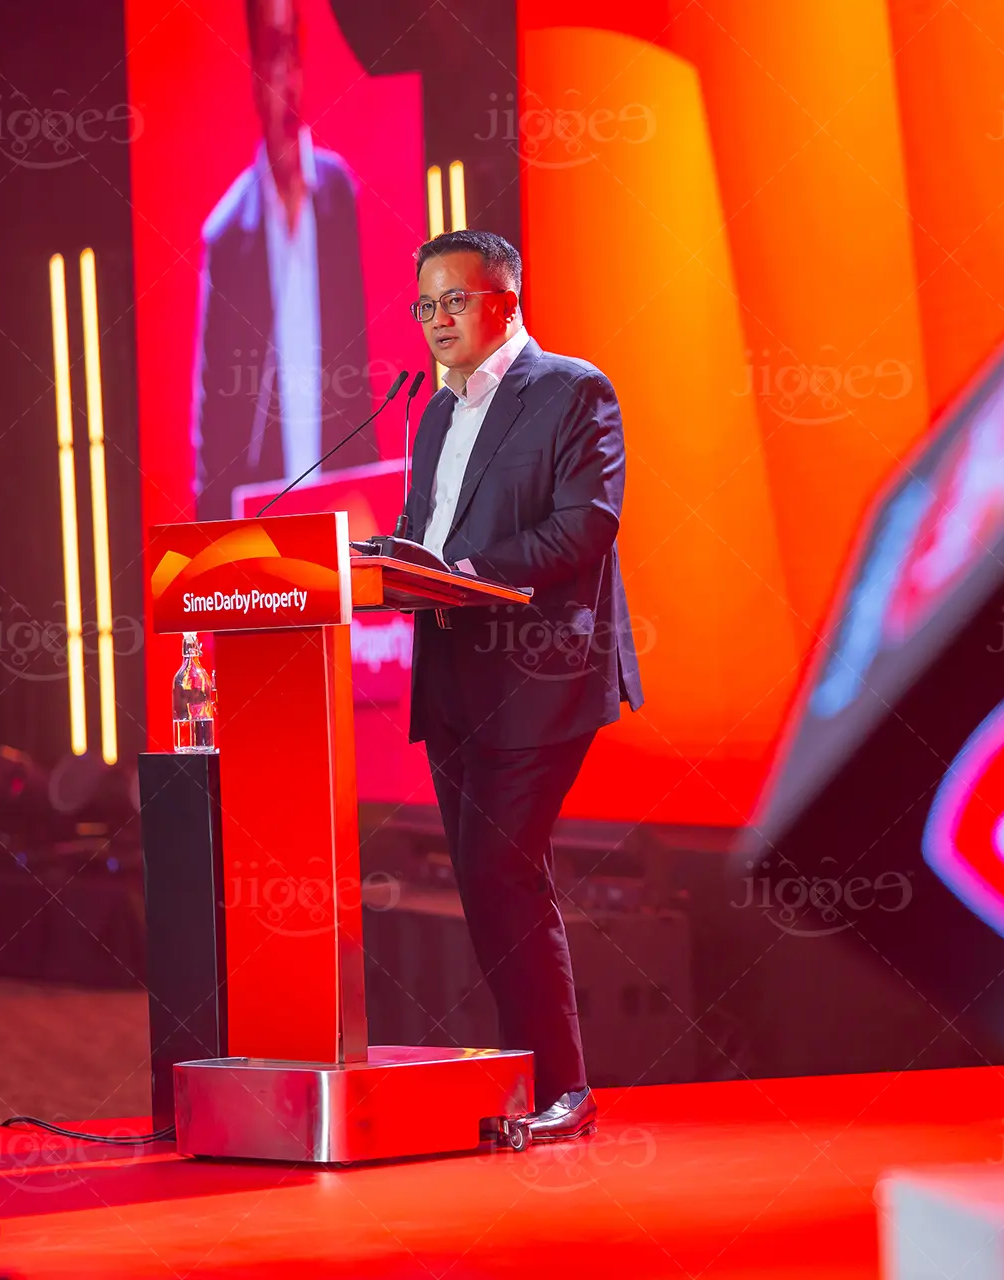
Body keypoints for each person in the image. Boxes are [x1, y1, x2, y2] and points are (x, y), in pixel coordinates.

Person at [401, 229, 643, 1142]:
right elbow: (424, 534)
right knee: (485, 880)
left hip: (540, 674)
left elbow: (585, 527)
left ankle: (562, 1089)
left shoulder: (573, 390)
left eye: (453, 301)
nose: (437, 321)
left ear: (504, 300)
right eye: (425, 305)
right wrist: (388, 564)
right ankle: (531, 1083)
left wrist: (461, 570)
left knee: (503, 869)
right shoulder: (435, 414)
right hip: (453, 675)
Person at [189, 0, 372, 521]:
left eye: (292, 52)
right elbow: (213, 429)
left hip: (345, 509)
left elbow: (363, 373)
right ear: (251, 71)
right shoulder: (229, 236)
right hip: (266, 523)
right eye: (272, 55)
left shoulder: (338, 195)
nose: (286, 76)